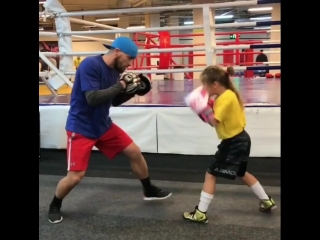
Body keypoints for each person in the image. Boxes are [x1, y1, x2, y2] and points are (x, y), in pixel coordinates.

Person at [48, 37, 172, 224]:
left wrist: (132, 91)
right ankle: (54, 205)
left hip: (103, 125)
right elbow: (93, 98)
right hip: (81, 127)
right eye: (129, 59)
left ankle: (148, 190)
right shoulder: (90, 65)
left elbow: (113, 100)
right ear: (117, 52)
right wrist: (121, 85)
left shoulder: (115, 71)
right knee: (75, 176)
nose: (129, 64)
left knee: (134, 152)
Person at [183, 66, 276, 223]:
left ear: (215, 84)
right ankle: (266, 200)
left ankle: (200, 213)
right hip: (241, 139)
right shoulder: (227, 95)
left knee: (211, 174)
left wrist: (200, 109)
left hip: (233, 143)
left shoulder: (225, 98)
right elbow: (215, 114)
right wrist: (204, 107)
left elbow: (214, 122)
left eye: (205, 85)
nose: (203, 89)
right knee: (242, 172)